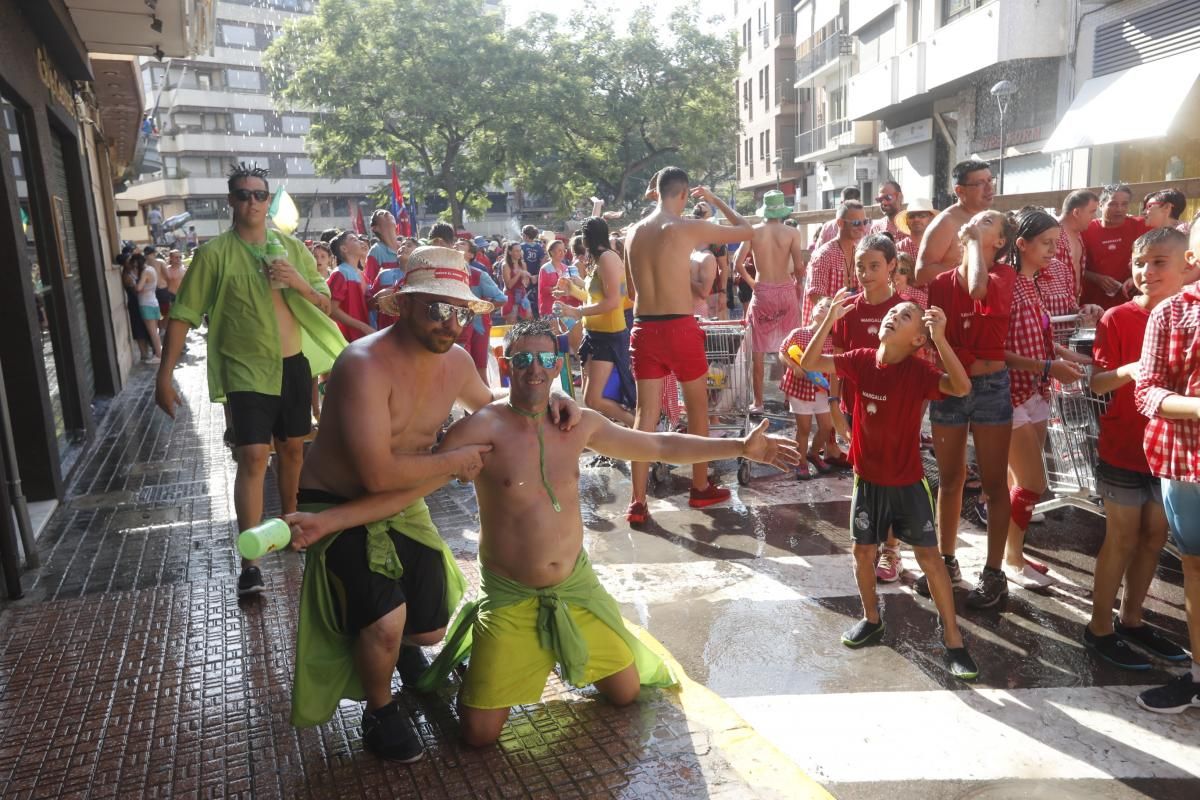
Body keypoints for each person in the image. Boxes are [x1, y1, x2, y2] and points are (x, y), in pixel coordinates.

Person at [285, 319, 801, 748]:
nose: (534, 369)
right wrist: (328, 521)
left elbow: (657, 446)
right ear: (506, 364)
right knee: (480, 736)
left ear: (560, 367)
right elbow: (408, 493)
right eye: (522, 359)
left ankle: (556, 644)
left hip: (575, 588)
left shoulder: (578, 423)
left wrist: (739, 448)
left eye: (545, 360)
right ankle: (492, 651)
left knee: (624, 694)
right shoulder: (478, 430)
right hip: (510, 596)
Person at [285, 264, 581, 760]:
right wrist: (453, 461)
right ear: (403, 305)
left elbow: (496, 407)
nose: (450, 323)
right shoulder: (362, 362)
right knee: (384, 619)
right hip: (339, 499)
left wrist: (553, 393)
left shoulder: (459, 360)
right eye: (438, 309)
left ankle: (398, 648)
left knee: (428, 628)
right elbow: (377, 475)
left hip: (405, 497)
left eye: (460, 312)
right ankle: (379, 712)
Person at [155, 162, 344, 597]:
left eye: (260, 194)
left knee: (294, 451)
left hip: (293, 365)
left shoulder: (292, 249)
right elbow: (183, 315)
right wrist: (164, 377)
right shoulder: (214, 254)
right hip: (245, 368)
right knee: (254, 456)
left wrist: (296, 281)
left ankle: (292, 526)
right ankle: (251, 560)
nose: (252, 202)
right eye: (243, 194)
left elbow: (325, 305)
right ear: (231, 201)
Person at [799, 290, 978, 679]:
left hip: (908, 483)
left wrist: (942, 338)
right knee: (863, 553)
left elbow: (961, 387)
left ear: (918, 339)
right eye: (893, 312)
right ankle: (871, 618)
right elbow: (811, 362)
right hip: (867, 479)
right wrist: (828, 320)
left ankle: (953, 640)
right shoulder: (862, 360)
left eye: (906, 315)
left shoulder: (918, 372)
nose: (893, 315)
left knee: (930, 560)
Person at [1086, 227, 1194, 671]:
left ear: (1187, 264)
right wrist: (1133, 369)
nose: (1146, 272)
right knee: (1123, 536)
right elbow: (1096, 381)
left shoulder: (1191, 315)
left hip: (1173, 451)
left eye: (1158, 262)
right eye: (1139, 264)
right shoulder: (1118, 318)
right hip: (1125, 446)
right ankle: (1098, 628)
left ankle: (1132, 619)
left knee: (1154, 537)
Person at [622, 167, 754, 523]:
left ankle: (637, 502)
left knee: (644, 417)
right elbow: (746, 230)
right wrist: (713, 200)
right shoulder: (684, 226)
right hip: (679, 326)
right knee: (697, 409)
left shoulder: (633, 232)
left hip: (643, 327)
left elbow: (632, 292)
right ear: (683, 195)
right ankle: (699, 487)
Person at [915, 209, 1016, 609]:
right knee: (951, 477)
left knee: (994, 484)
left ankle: (994, 573)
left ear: (1001, 242)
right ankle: (946, 559)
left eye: (990, 221)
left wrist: (973, 240)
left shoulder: (1003, 277)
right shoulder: (939, 284)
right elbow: (933, 335)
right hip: (951, 385)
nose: (977, 222)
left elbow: (976, 289)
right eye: (976, 221)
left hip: (991, 385)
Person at [1001, 208, 1091, 589]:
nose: (1055, 250)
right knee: (1033, 483)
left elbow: (1034, 331)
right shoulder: (1003, 283)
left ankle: (1012, 552)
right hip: (1010, 393)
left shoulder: (1032, 282)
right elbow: (993, 348)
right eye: (1047, 243)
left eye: (1057, 242)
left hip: (1035, 389)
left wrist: (1063, 354)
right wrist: (1048, 367)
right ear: (1021, 244)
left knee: (1018, 481)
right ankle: (1008, 560)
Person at [1133, 226, 1200, 714]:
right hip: (1185, 462)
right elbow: (1147, 390)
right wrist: (1195, 408)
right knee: (1195, 566)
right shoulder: (1171, 312)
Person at [832, 234, 908, 580]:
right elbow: (835, 360)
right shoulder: (847, 310)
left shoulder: (906, 312)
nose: (865, 273)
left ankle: (892, 550)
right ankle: (871, 542)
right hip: (855, 409)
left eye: (874, 266)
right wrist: (834, 404)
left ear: (892, 266)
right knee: (864, 479)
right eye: (860, 266)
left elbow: (914, 367)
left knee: (892, 482)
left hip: (894, 413)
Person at [555, 216, 635, 426]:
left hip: (609, 336)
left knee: (594, 399)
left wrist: (576, 312)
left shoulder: (607, 258)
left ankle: (640, 426)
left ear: (588, 237)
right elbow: (593, 298)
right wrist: (571, 289)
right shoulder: (598, 259)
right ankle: (624, 435)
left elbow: (612, 302)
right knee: (591, 398)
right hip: (594, 335)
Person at [732, 190, 805, 413]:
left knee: (758, 350)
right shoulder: (792, 232)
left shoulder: (753, 232)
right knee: (790, 346)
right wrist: (799, 285)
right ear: (782, 210)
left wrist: (753, 284)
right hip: (785, 290)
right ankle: (789, 398)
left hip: (763, 291)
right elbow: (799, 265)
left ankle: (759, 403)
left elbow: (737, 263)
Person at [779, 297, 836, 480]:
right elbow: (783, 351)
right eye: (820, 305)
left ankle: (813, 453)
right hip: (800, 388)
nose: (822, 307)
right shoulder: (799, 333)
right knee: (803, 429)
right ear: (812, 311)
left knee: (826, 427)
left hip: (820, 389)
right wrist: (793, 366)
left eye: (828, 306)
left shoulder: (831, 341)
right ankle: (800, 462)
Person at [914, 160, 994, 287]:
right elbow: (921, 274)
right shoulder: (946, 222)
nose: (989, 188)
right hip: (953, 303)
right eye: (980, 183)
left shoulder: (992, 218)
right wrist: (967, 273)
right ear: (960, 190)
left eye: (990, 180)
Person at [1082, 184, 1148, 310]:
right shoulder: (1085, 229)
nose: (1119, 209)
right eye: (1113, 204)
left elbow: (1157, 257)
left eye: (1124, 204)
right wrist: (1096, 278)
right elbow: (1073, 266)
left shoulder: (1140, 226)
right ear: (1100, 205)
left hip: (1132, 302)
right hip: (1094, 304)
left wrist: (1135, 277)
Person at [803, 201, 869, 325]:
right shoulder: (824, 254)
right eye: (856, 223)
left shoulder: (860, 252)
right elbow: (815, 295)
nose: (862, 227)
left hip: (852, 321)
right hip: (826, 325)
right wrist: (836, 314)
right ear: (840, 223)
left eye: (864, 222)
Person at [455, 240, 508, 384]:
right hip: (455, 327)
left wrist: (477, 310)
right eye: (455, 243)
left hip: (478, 327)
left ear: (471, 255)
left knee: (479, 370)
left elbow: (501, 299)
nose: (456, 245)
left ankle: (483, 404)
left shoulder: (478, 275)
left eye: (461, 245)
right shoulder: (447, 275)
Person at [327, 230, 374, 342]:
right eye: (354, 239)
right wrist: (363, 327)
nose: (361, 242)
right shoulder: (340, 273)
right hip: (348, 339)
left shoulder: (361, 274)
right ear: (344, 249)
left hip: (364, 338)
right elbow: (332, 310)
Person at [1055, 189, 1099, 300]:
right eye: (1092, 212)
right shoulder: (1052, 236)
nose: (1094, 217)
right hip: (1054, 307)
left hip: (1073, 303)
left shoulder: (1078, 232)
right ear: (1077, 213)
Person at [894, 197, 936, 308]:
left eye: (922, 215)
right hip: (907, 309)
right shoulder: (897, 249)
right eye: (912, 216)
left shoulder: (941, 246)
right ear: (907, 221)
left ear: (931, 219)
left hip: (939, 306)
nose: (916, 219)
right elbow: (896, 285)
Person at [364, 210, 401, 287]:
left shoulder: (406, 246)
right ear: (375, 228)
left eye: (390, 213)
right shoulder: (376, 252)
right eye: (381, 214)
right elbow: (370, 285)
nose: (387, 213)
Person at [158, 249, 187, 344]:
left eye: (180, 257)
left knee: (181, 319)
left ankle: (181, 341)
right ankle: (166, 334)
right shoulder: (167, 270)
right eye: (176, 257)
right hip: (169, 296)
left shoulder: (184, 269)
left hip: (182, 297)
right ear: (171, 258)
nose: (178, 259)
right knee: (168, 317)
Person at [500, 242, 532, 323]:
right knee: (512, 323)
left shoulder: (523, 264)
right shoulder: (506, 265)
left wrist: (527, 279)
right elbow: (509, 285)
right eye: (516, 251)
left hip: (522, 294)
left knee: (529, 319)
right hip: (510, 296)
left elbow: (526, 284)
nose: (519, 253)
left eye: (520, 250)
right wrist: (519, 273)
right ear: (510, 252)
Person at [520, 225, 546, 314]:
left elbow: (521, 263)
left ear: (525, 236)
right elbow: (543, 263)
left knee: (524, 299)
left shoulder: (521, 247)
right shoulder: (539, 247)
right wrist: (537, 276)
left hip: (524, 277)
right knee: (536, 298)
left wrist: (527, 276)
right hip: (536, 278)